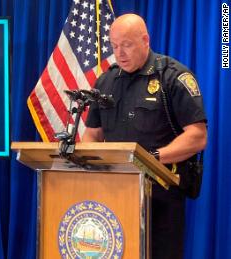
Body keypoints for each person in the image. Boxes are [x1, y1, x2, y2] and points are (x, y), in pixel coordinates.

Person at [82, 14, 207, 259]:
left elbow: (197, 136)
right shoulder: (105, 81)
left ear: (145, 40)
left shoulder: (172, 76)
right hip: (115, 192)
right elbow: (92, 135)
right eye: (114, 46)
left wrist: (151, 158)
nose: (120, 53)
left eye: (126, 45)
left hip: (161, 194)